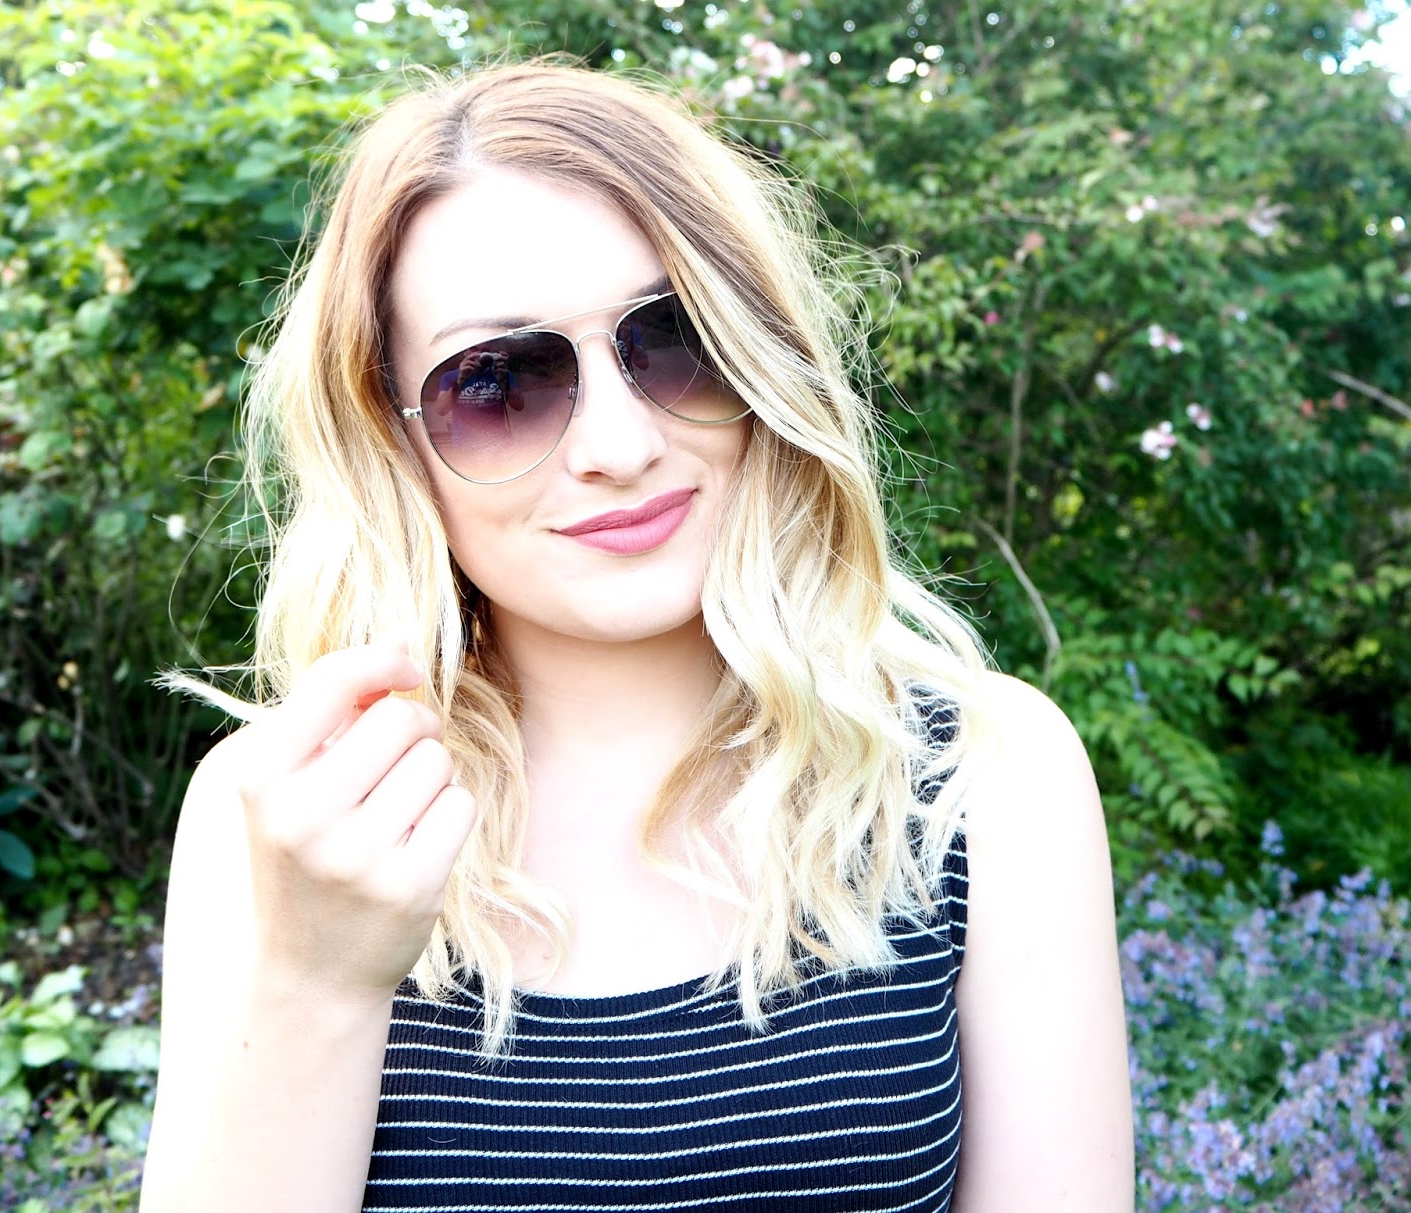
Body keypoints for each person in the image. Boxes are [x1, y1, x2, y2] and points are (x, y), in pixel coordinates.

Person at [138, 61, 1133, 1213]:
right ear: (392, 440)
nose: (620, 445)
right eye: (497, 383)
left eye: (674, 340)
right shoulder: (284, 814)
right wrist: (319, 979)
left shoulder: (982, 775)